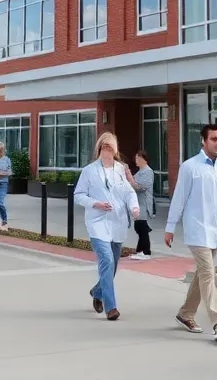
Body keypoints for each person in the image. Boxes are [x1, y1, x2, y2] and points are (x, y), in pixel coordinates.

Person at [165, 123, 217, 341]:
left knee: (201, 275)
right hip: (197, 229)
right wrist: (170, 227)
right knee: (207, 273)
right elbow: (179, 198)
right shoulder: (190, 167)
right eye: (214, 139)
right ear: (203, 141)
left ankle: (185, 313)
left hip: (216, 231)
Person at [74, 132, 140, 321]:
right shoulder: (89, 171)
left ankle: (97, 291)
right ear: (99, 148)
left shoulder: (121, 170)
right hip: (97, 222)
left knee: (113, 266)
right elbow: (78, 195)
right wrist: (96, 203)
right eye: (103, 146)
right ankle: (111, 308)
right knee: (107, 261)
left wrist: (134, 208)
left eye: (110, 146)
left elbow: (129, 193)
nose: (106, 149)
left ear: (115, 150)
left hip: (117, 221)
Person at [128, 150, 156, 261]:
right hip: (137, 204)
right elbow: (132, 182)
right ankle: (140, 250)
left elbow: (140, 187)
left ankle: (146, 252)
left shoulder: (148, 172)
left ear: (142, 159)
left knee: (142, 227)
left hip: (143, 204)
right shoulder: (140, 172)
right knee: (139, 227)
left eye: (137, 158)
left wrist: (130, 177)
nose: (135, 160)